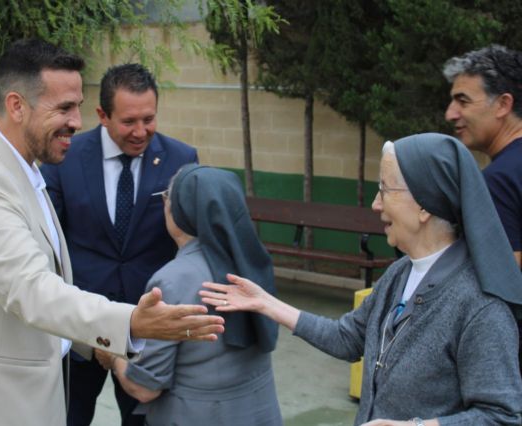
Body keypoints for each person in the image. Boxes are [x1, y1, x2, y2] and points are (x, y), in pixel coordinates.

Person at [0, 39, 224, 426]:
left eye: (77, 106)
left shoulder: (25, 171)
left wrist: (98, 344)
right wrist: (129, 323)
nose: (77, 122)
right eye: (63, 108)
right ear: (16, 106)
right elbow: (30, 289)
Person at [201, 133, 522, 425]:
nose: (375, 204)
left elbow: (501, 417)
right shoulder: (401, 272)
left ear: (425, 205)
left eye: (385, 189)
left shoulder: (480, 307)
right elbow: (349, 338)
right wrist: (267, 304)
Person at [40, 63, 198, 426]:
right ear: (102, 115)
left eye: (149, 118)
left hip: (147, 335)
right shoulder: (65, 157)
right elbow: (49, 240)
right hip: (80, 331)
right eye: (129, 121)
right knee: (69, 416)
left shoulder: (181, 159)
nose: (141, 131)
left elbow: (188, 245)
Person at [95, 164, 281, 425]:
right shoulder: (252, 262)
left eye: (166, 197)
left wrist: (112, 355)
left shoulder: (172, 281)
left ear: (179, 211)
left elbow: (145, 389)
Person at [444, 44, 522, 268]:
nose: (450, 113)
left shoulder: (499, 181)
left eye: (463, 101)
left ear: (503, 104)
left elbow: (503, 277)